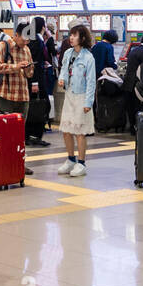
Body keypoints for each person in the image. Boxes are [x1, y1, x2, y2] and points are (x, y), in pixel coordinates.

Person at [55, 24, 97, 177]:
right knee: (66, 129)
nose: (71, 38)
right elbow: (64, 70)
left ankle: (81, 162)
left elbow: (92, 81)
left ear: (83, 38)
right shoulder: (67, 53)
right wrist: (61, 79)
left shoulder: (88, 57)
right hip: (69, 95)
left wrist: (88, 103)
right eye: (70, 35)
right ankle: (70, 159)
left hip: (81, 96)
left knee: (80, 131)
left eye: (74, 35)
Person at [0, 18, 34, 119]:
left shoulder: (27, 50)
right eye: (24, 39)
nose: (26, 42)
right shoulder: (2, 46)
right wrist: (16, 67)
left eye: (29, 39)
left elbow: (30, 73)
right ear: (16, 35)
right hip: (6, 96)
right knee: (5, 130)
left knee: (20, 130)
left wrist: (28, 70)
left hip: (23, 96)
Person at [24, 17, 55, 147]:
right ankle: (34, 135)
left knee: (34, 106)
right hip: (36, 79)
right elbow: (35, 62)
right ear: (43, 27)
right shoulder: (36, 40)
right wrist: (35, 82)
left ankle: (30, 135)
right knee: (42, 106)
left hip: (32, 78)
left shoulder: (32, 38)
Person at [123, 33, 143, 133]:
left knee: (131, 108)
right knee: (138, 107)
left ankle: (132, 128)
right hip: (136, 83)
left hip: (128, 82)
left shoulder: (135, 50)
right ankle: (137, 129)